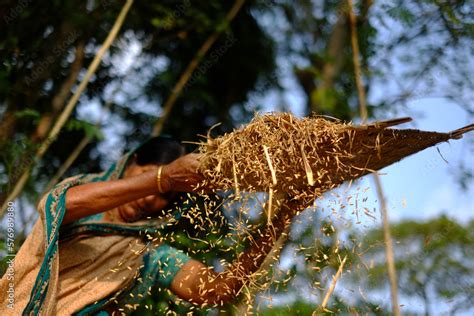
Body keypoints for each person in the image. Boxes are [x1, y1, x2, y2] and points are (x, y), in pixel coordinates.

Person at [0, 137, 302, 315]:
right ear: (129, 164)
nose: (148, 199)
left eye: (163, 196)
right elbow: (63, 206)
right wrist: (164, 179)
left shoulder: (147, 255)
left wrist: (284, 216)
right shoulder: (84, 194)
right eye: (145, 176)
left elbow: (218, 290)